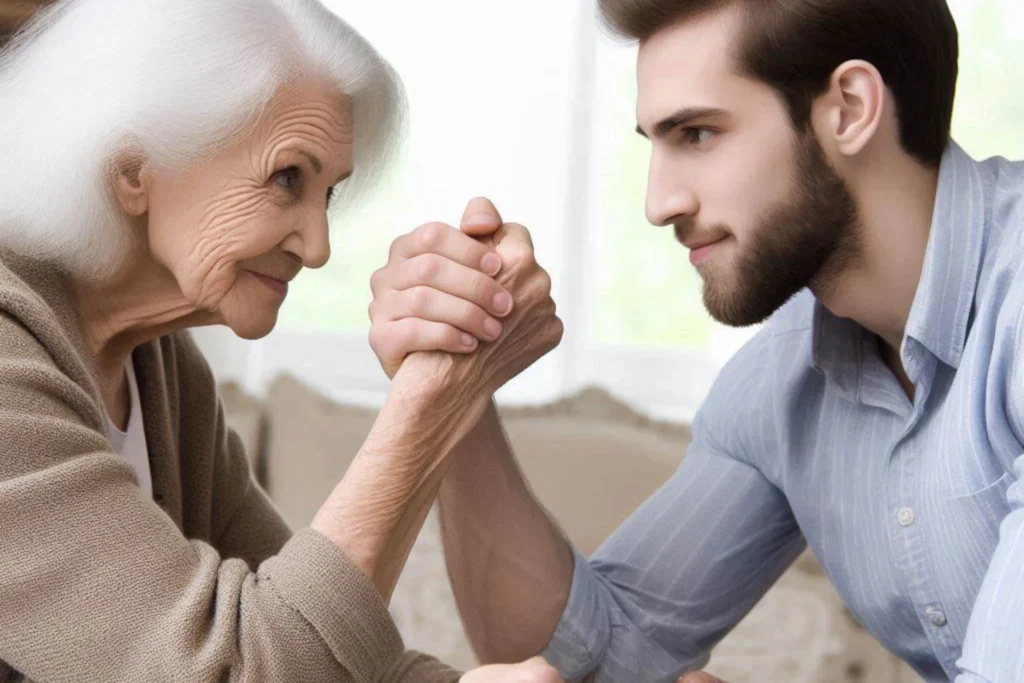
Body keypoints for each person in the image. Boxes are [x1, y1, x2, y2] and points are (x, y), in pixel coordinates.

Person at [367, 0, 1024, 681]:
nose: (659, 203)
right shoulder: (784, 380)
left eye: (699, 135)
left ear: (850, 108)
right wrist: (454, 384)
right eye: (654, 141)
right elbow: (593, 657)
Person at [0, 1, 567, 681]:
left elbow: (313, 636)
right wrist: (433, 400)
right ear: (135, 167)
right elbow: (244, 668)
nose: (318, 247)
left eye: (328, 195)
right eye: (287, 178)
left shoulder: (160, 369)